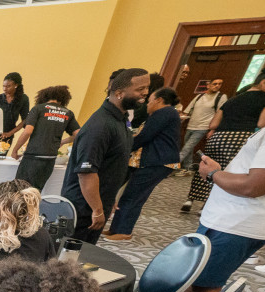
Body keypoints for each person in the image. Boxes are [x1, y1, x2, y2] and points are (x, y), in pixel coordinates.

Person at [191, 116, 265, 290]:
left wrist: (213, 174)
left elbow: (253, 186)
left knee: (199, 286)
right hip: (237, 218)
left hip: (236, 221)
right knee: (195, 280)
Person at [61, 68, 150, 243]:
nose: (146, 93)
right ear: (119, 93)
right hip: (83, 208)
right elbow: (86, 173)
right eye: (140, 89)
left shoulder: (120, 120)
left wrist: (108, 200)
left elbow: (111, 166)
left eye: (147, 88)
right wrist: (97, 209)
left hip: (96, 204)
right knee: (68, 260)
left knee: (84, 256)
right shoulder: (100, 125)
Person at [182, 68, 265, 213]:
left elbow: (213, 124)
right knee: (227, 172)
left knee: (207, 167)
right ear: (264, 82)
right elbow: (262, 124)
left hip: (218, 137)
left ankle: (189, 201)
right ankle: (207, 206)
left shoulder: (233, 99)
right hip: (240, 138)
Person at [105, 87, 183, 240]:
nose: (147, 104)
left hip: (156, 162)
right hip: (152, 161)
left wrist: (124, 147)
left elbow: (145, 136)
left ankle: (124, 231)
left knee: (133, 197)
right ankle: (116, 229)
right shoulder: (166, 113)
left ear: (159, 100)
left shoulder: (165, 112)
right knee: (129, 195)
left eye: (150, 100)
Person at [10, 85, 81, 191]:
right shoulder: (68, 113)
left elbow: (28, 131)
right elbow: (79, 134)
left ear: (44, 96)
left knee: (19, 191)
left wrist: (15, 150)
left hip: (33, 157)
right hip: (50, 159)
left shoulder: (38, 109)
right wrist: (63, 141)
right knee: (35, 192)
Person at [177, 78, 226, 175]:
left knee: (187, 147)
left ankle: (170, 167)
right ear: (209, 85)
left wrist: (213, 129)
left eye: (219, 84)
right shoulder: (200, 96)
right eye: (215, 83)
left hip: (203, 127)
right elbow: (188, 109)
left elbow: (220, 114)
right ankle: (188, 167)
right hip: (191, 125)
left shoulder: (221, 97)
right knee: (188, 148)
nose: (217, 86)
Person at [0, 71, 30, 140]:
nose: (5, 89)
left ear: (16, 85)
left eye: (8, 86)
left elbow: (25, 119)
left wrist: (10, 133)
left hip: (8, 135)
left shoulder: (23, 99)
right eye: (3, 86)